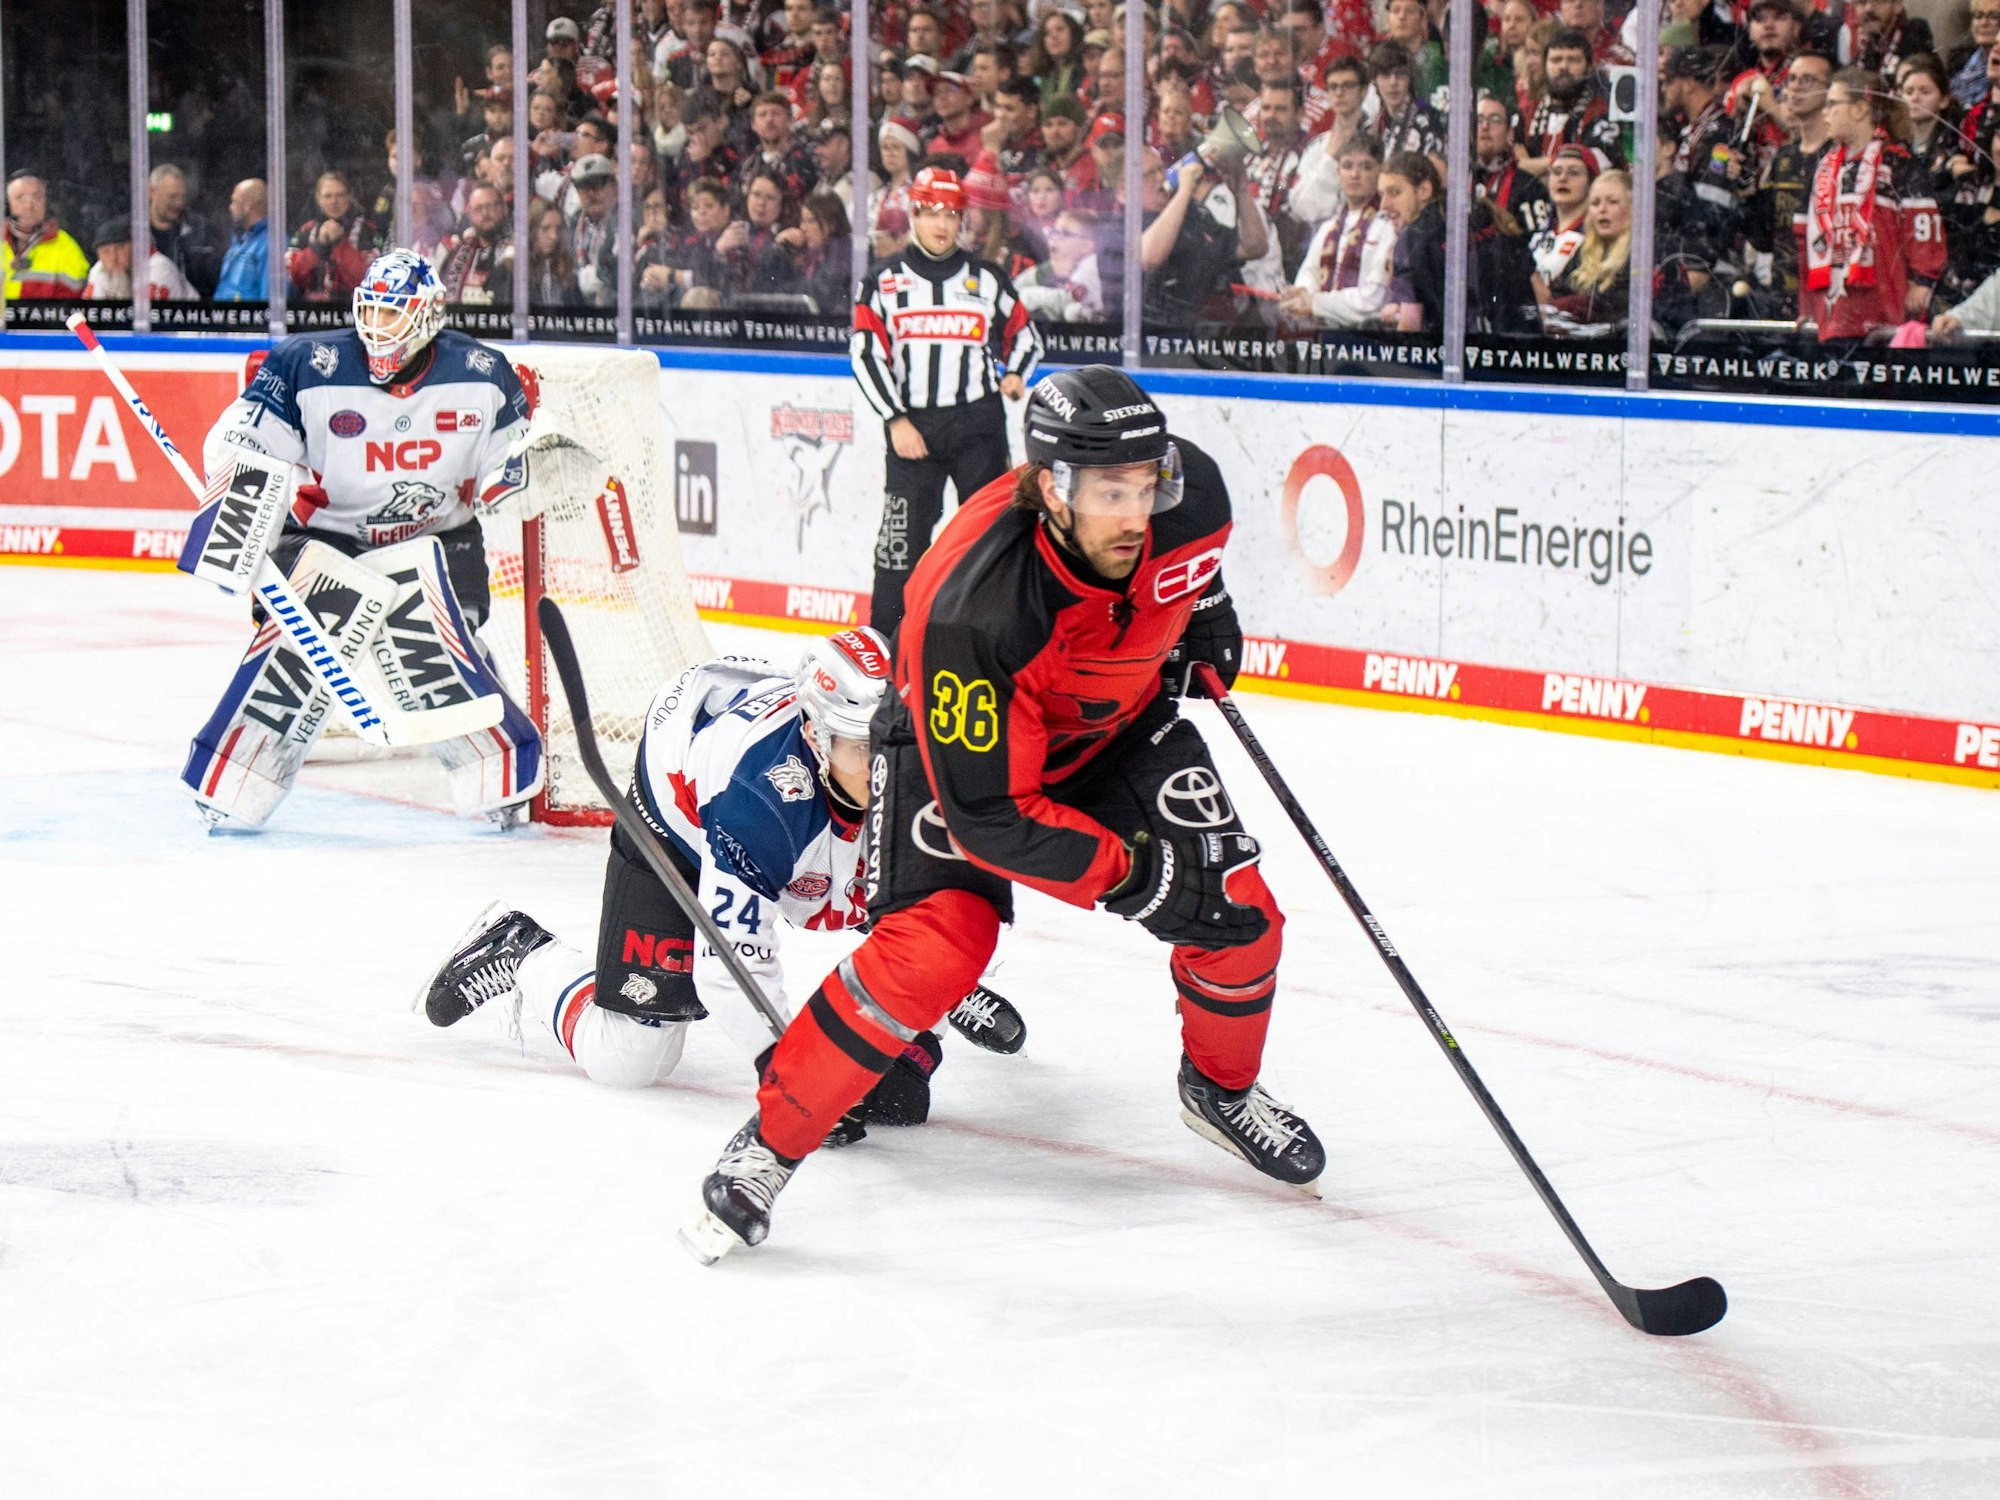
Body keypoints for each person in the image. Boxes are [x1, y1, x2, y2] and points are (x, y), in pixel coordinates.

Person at [681, 366, 1321, 1262]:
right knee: (935, 950)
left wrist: (1205, 606)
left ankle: (1221, 1088)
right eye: (1110, 495)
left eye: (1147, 488)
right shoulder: (969, 612)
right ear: (1050, 488)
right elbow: (992, 816)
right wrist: (1132, 875)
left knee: (1241, 916)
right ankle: (767, 1147)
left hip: (1118, 733)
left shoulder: (1190, 495)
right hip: (963, 765)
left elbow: (1192, 567)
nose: (1137, 517)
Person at [417, 630, 1026, 1117]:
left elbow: (965, 902)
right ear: (815, 735)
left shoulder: (927, 762)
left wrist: (929, 1002)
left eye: (896, 741)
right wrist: (792, 1077)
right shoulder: (758, 802)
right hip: (680, 816)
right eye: (862, 749)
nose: (885, 768)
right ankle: (522, 949)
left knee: (900, 1083)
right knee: (630, 1057)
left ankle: (945, 999)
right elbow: (736, 964)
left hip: (794, 811)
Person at [184, 249, 541, 831]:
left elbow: (513, 463)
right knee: (296, 652)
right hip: (325, 541)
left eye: (393, 316)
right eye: (370, 312)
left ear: (427, 317)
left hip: (441, 540)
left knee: (433, 645)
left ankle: (496, 773)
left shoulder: (481, 371)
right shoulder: (307, 362)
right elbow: (246, 444)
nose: (378, 330)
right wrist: (239, 502)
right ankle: (237, 779)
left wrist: (524, 473)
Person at [850, 166, 1043, 640]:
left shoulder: (987, 278)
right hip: (912, 426)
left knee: (995, 534)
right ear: (913, 214)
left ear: (962, 219)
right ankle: (886, 650)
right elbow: (865, 352)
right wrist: (894, 419)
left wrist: (1016, 372)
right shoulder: (884, 281)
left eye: (951, 214)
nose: (941, 224)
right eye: (931, 212)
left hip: (978, 423)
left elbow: (1025, 335)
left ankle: (994, 638)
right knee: (899, 546)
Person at [1800, 67, 1946, 339]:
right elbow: (1804, 241)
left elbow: (1924, 231)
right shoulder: (1822, 170)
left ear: (1859, 110)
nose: (1824, 112)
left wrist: (1923, 281)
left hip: (1884, 311)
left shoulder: (1900, 164)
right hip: (1831, 311)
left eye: (1832, 104)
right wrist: (1806, 302)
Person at [1281, 133, 1398, 327]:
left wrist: (1315, 302)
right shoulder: (1328, 227)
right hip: (1323, 333)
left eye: (1366, 167)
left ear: (1380, 172)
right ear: (1338, 172)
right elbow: (1308, 274)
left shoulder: (1389, 226)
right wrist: (1300, 296)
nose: (1355, 175)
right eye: (1348, 166)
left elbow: (1373, 300)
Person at [1523, 28, 1624, 175]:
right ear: (1545, 66)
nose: (1563, 66)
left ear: (1589, 67)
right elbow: (1512, 166)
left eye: (1573, 60)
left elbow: (1598, 162)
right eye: (1556, 60)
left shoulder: (1602, 112)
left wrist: (1534, 165)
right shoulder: (1529, 113)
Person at [1540, 167, 1632, 327]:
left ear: (1633, 208)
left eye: (1613, 202)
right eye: (1595, 203)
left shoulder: (1642, 253)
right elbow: (1557, 295)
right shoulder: (1584, 252)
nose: (1602, 210)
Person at [287, 172, 381, 301]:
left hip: (355, 312)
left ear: (349, 197)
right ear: (318, 199)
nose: (334, 201)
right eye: (327, 196)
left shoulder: (368, 230)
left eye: (340, 195)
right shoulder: (307, 230)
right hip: (314, 314)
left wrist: (340, 244)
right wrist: (319, 246)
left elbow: (367, 279)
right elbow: (294, 276)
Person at [1381, 149, 1446, 330]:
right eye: (1382, 195)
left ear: (1424, 190)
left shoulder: (1412, 238)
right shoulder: (1473, 215)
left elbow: (1409, 328)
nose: (1384, 205)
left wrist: (1398, 314)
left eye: (1394, 192)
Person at [2, 170, 89, 300]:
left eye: (36, 197)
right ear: (8, 204)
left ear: (46, 203)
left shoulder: (67, 249)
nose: (28, 205)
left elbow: (75, 310)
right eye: (20, 197)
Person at [1530, 142, 1600, 283]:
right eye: (1556, 172)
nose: (1563, 178)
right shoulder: (1535, 232)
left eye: (1574, 172)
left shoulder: (1596, 235)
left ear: (1591, 183)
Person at [213, 179, 272, 302]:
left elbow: (270, 302)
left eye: (234, 202)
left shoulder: (270, 245)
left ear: (247, 206)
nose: (230, 207)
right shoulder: (240, 240)